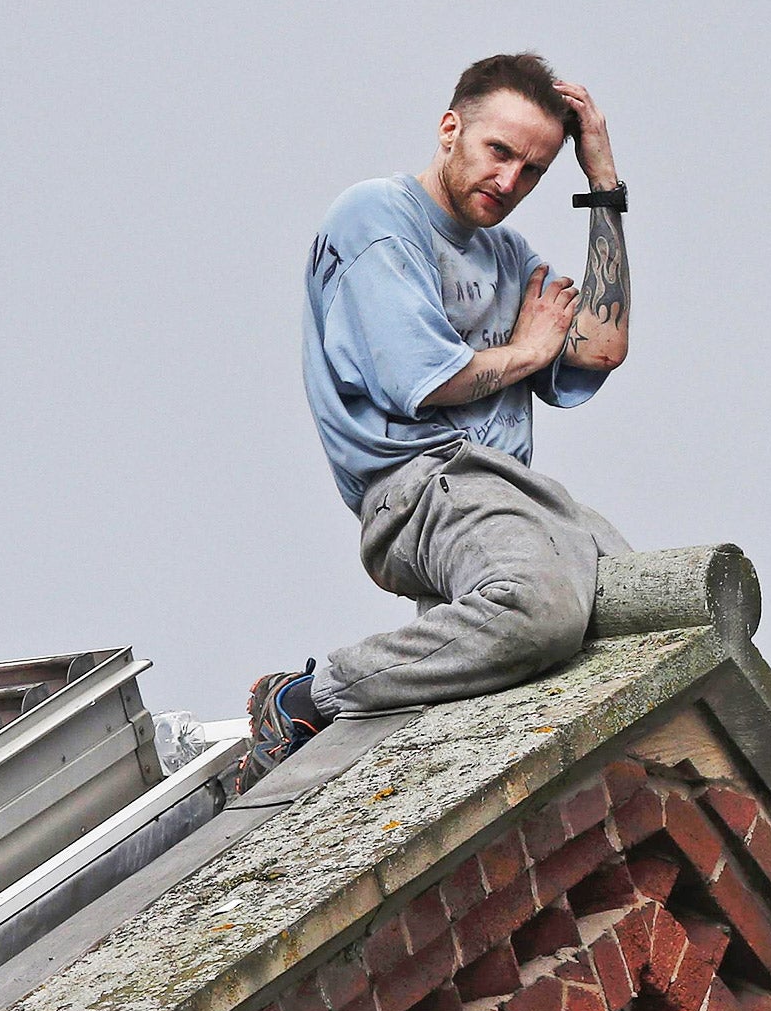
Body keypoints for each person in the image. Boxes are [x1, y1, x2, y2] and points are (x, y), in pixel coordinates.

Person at [239, 51, 632, 789]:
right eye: (500, 152)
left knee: (652, 605)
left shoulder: (508, 253)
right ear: (450, 129)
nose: (510, 182)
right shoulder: (377, 218)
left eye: (535, 171)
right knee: (543, 614)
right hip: (421, 485)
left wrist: (603, 183)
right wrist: (530, 348)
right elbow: (429, 380)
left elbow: (601, 349)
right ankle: (302, 700)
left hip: (510, 491)